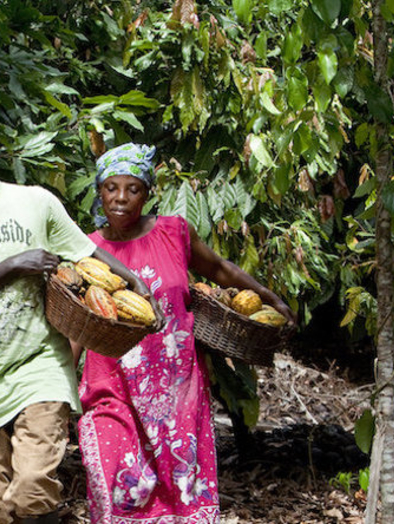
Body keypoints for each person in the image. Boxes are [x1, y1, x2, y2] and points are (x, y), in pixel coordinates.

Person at [0, 110, 154, 524]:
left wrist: (132, 280)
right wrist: (10, 266)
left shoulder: (34, 202)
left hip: (40, 361)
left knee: (32, 486)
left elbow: (83, 251)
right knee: (0, 509)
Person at [78, 143, 295, 523]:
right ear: (99, 190)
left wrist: (271, 299)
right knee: (117, 482)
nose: (121, 199)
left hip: (174, 386)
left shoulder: (173, 232)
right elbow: (80, 320)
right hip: (111, 385)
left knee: (179, 492)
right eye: (112, 187)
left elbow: (221, 270)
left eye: (133, 189)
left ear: (147, 193)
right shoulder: (89, 248)